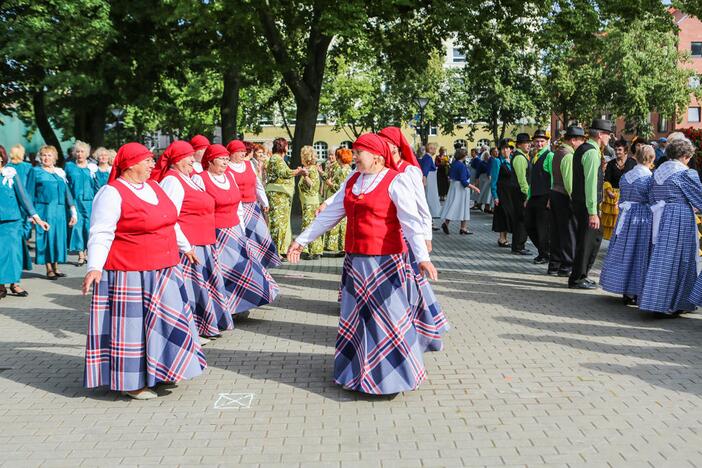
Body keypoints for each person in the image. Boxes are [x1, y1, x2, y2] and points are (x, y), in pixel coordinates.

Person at [287, 133, 439, 395]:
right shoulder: (353, 181)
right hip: (356, 262)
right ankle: (358, 375)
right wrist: (301, 240)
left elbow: (411, 223)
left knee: (387, 321)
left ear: (378, 157)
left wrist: (423, 258)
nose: (354, 157)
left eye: (359, 153)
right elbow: (331, 215)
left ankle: (393, 379)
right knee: (357, 321)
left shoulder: (396, 181)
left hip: (385, 262)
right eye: (354, 152)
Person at [82, 142, 206, 400]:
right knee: (134, 330)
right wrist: (94, 266)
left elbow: (170, 222)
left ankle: (161, 370)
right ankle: (131, 382)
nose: (153, 164)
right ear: (130, 165)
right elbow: (101, 231)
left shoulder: (154, 187)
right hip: (131, 272)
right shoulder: (112, 193)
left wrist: (186, 247)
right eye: (148, 160)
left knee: (167, 322)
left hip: (164, 269)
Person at [152, 140, 233, 340]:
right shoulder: (172, 181)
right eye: (187, 157)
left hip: (204, 241)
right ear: (177, 160)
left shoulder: (188, 178)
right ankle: (194, 329)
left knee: (203, 286)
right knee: (193, 289)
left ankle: (205, 325)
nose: (192, 160)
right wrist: (185, 246)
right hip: (190, 245)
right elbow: (169, 218)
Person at [378, 126, 447, 352]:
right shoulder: (380, 169)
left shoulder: (409, 171)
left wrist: (426, 236)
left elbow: (421, 206)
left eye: (384, 142)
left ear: (395, 146)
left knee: (413, 285)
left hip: (408, 236)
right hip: (387, 238)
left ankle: (422, 330)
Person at [194, 144, 279, 315]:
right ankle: (228, 308)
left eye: (227, 159)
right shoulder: (200, 179)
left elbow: (237, 205)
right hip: (216, 233)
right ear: (210, 161)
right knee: (224, 272)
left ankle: (245, 303)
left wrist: (241, 230)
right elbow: (198, 208)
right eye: (222, 159)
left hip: (234, 230)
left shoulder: (229, 177)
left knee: (243, 268)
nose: (225, 163)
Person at [638, 138, 702, 315]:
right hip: (679, 217)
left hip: (660, 216)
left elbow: (650, 196)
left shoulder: (658, 172)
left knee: (662, 259)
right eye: (688, 156)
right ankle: (675, 303)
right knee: (681, 259)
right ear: (683, 156)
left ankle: (657, 300)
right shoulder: (685, 174)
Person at [599, 144, 655, 305]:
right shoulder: (649, 178)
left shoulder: (626, 176)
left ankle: (624, 288)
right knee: (639, 254)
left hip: (625, 217)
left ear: (636, 157)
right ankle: (636, 290)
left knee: (625, 252)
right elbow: (652, 200)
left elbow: (622, 197)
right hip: (641, 219)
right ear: (651, 159)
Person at [0, 147, 50, 299]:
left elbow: (23, 197)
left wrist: (37, 218)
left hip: (12, 222)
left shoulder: (10, 173)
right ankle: (1, 285)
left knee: (13, 254)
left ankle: (14, 284)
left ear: (2, 158)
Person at [568, 119, 612, 289]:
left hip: (580, 202)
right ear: (600, 135)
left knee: (588, 239)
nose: (609, 138)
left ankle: (580, 275)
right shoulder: (592, 153)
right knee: (588, 242)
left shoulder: (583, 149)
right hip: (587, 205)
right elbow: (591, 184)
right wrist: (593, 212)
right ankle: (578, 277)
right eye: (608, 134)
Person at [226, 140, 279, 269]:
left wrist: (264, 201)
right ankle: (247, 264)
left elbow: (257, 184)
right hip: (236, 208)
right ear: (232, 153)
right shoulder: (226, 167)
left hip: (252, 206)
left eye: (244, 151)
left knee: (261, 235)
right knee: (243, 237)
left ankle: (263, 262)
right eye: (240, 152)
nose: (243, 154)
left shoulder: (249, 164)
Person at [31, 145, 78, 279]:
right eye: (44, 155)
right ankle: (49, 268)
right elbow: (29, 192)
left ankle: (56, 267)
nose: (46, 158)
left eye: (49, 155)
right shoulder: (36, 172)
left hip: (60, 211)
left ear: (55, 158)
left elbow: (67, 192)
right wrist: (32, 214)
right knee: (47, 238)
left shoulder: (60, 172)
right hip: (44, 209)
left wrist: (73, 211)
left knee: (58, 237)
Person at [548, 126, 585, 277]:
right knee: (568, 232)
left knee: (556, 231)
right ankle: (567, 266)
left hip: (555, 193)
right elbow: (569, 183)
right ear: (573, 140)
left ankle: (554, 265)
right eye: (581, 140)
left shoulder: (558, 152)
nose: (581, 144)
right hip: (564, 195)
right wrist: (574, 200)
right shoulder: (569, 155)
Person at [265, 138, 305, 261]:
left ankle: (280, 250)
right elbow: (284, 173)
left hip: (280, 195)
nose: (288, 148)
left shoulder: (277, 159)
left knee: (282, 223)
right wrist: (298, 172)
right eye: (287, 146)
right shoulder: (276, 159)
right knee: (278, 223)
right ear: (283, 147)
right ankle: (275, 251)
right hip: (278, 196)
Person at [65, 141, 98, 266]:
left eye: (82, 151)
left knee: (88, 227)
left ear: (87, 153)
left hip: (90, 201)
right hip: (75, 201)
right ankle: (80, 254)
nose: (79, 154)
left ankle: (88, 253)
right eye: (77, 151)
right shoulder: (69, 166)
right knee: (77, 227)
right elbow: (66, 184)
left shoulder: (92, 167)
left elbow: (97, 185)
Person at [525, 130, 553, 264]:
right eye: (537, 141)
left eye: (542, 141)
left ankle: (545, 254)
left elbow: (553, 179)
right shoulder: (534, 157)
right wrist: (528, 197)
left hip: (544, 196)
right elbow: (532, 181)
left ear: (546, 142)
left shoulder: (549, 156)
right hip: (534, 196)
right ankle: (543, 251)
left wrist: (550, 198)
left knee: (543, 228)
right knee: (529, 225)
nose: (539, 143)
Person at [601, 139, 637, 240]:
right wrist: (608, 192)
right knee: (613, 228)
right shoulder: (611, 164)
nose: (617, 152)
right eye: (616, 149)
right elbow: (606, 180)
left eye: (620, 150)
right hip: (613, 199)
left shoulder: (632, 163)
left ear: (626, 150)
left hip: (628, 196)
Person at [7, 144, 36, 271]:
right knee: (26, 222)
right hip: (25, 199)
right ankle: (25, 239)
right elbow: (30, 186)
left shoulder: (8, 168)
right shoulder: (27, 167)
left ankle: (23, 240)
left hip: (12, 201)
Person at [440, 148, 480, 235]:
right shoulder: (461, 165)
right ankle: (462, 227)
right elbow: (464, 181)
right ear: (463, 156)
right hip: (461, 188)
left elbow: (450, 175)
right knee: (463, 206)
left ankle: (455, 225)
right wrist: (474, 188)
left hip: (454, 186)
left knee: (454, 205)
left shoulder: (454, 163)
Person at [322, 149, 353, 255]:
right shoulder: (348, 169)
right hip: (345, 200)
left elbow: (340, 188)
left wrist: (331, 184)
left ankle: (343, 248)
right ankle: (343, 248)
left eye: (337, 157)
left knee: (342, 224)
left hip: (341, 200)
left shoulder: (343, 171)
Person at [297, 145, 323, 260]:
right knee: (312, 225)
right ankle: (315, 250)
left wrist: (305, 175)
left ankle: (308, 251)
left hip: (310, 202)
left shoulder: (311, 169)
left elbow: (313, 185)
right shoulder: (310, 168)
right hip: (309, 201)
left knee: (308, 225)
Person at [510, 133, 531, 255]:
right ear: (519, 145)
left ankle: (518, 245)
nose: (529, 145)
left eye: (529, 143)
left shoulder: (521, 156)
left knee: (520, 219)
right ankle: (518, 246)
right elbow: (522, 179)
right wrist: (527, 194)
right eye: (526, 143)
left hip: (518, 191)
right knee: (521, 219)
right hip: (520, 192)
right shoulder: (520, 158)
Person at [491, 140, 514, 248]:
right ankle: (502, 238)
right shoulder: (497, 161)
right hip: (502, 192)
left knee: (508, 214)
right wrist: (495, 195)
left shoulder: (512, 160)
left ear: (510, 149)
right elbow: (494, 180)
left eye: (507, 148)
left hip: (511, 193)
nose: (505, 150)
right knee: (503, 214)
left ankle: (505, 238)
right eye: (503, 148)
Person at [420, 143, 442, 219]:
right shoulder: (428, 158)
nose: (435, 150)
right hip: (430, 180)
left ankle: (432, 215)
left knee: (430, 195)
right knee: (430, 195)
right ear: (430, 149)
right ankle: (432, 213)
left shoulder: (427, 157)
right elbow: (425, 169)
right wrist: (424, 179)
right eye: (434, 148)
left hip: (431, 179)